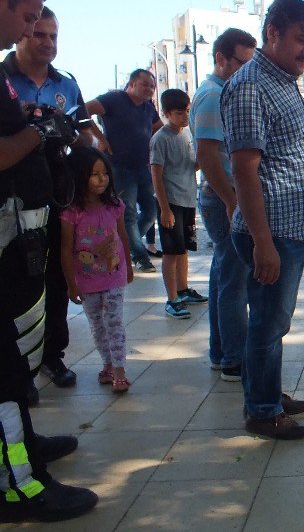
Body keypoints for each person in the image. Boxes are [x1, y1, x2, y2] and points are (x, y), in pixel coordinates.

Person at [0, 0, 99, 521]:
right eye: (28, 15)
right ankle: (19, 486)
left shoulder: (60, 82)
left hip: (21, 239)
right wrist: (40, 131)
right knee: (5, 373)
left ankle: (22, 445)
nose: (34, 25)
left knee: (16, 360)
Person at [221, 0, 304, 439]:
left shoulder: (282, 79)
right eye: (301, 40)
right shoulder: (249, 85)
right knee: (268, 321)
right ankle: (262, 411)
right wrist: (263, 243)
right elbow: (245, 171)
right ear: (273, 34)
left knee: (274, 321)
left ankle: (266, 389)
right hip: (273, 232)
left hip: (290, 229)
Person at [5, 5, 92, 391]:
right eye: (39, 33)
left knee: (57, 272)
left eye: (54, 35)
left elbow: (86, 135)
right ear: (22, 31)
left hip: (57, 187)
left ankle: (52, 357)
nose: (48, 42)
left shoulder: (67, 83)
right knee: (17, 278)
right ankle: (14, 371)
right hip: (10, 193)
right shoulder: (4, 80)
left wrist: (69, 134)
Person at [192, 27, 256, 381]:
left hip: (223, 196)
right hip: (222, 198)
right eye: (242, 63)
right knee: (234, 280)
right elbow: (207, 156)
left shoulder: (222, 90)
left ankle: (222, 352)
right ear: (221, 59)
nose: (248, 71)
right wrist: (232, 201)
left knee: (223, 276)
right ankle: (234, 359)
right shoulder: (213, 96)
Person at [61, 148, 133, 391]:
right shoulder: (72, 214)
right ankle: (108, 364)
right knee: (97, 325)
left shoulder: (115, 206)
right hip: (87, 281)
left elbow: (123, 236)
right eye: (94, 174)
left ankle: (120, 370)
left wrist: (129, 266)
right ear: (80, 177)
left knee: (114, 322)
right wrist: (71, 283)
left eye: (104, 173)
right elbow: (66, 250)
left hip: (114, 276)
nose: (102, 179)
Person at [86, 68, 163, 274]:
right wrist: (100, 139)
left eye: (152, 86)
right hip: (119, 168)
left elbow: (159, 128)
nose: (149, 89)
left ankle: (125, 243)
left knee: (151, 210)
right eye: (145, 84)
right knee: (128, 214)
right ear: (131, 83)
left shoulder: (148, 107)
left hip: (143, 167)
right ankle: (139, 255)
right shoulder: (113, 99)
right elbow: (83, 110)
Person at [149, 89, 205, 320]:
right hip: (170, 202)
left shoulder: (187, 134)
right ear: (166, 113)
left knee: (183, 250)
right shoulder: (160, 138)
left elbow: (190, 165)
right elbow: (156, 174)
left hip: (188, 199)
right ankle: (171, 299)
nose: (184, 117)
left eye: (187, 112)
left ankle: (183, 290)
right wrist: (164, 209)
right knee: (171, 252)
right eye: (179, 113)